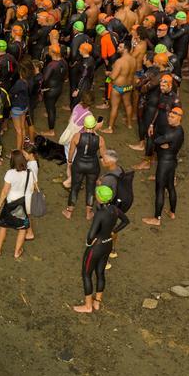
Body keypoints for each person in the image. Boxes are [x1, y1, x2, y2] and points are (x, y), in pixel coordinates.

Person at [73, 184, 128, 314]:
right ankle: (97, 302)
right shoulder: (115, 209)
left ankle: (87, 306)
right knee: (100, 273)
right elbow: (126, 221)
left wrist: (88, 243)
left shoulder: (100, 214)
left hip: (96, 247)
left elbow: (91, 234)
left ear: (100, 198)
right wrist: (114, 231)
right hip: (107, 244)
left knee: (86, 274)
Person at [143, 106, 184, 227]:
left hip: (164, 163)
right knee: (170, 186)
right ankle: (172, 212)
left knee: (159, 189)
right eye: (169, 116)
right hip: (172, 161)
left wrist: (160, 141)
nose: (169, 119)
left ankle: (157, 218)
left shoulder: (172, 133)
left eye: (172, 117)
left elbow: (155, 140)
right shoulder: (179, 130)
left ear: (179, 118)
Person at [0, 150, 35, 258]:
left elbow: (5, 191)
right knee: (22, 228)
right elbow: (32, 188)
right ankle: (16, 252)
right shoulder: (30, 172)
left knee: (3, 225)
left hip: (11, 203)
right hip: (23, 203)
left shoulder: (10, 173)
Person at [66, 114, 105, 220]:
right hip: (93, 165)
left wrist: (69, 161)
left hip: (78, 164)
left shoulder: (77, 136)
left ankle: (69, 211)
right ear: (94, 125)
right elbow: (103, 155)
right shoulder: (100, 139)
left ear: (84, 125)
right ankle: (89, 213)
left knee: (75, 187)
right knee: (91, 188)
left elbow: (71, 150)